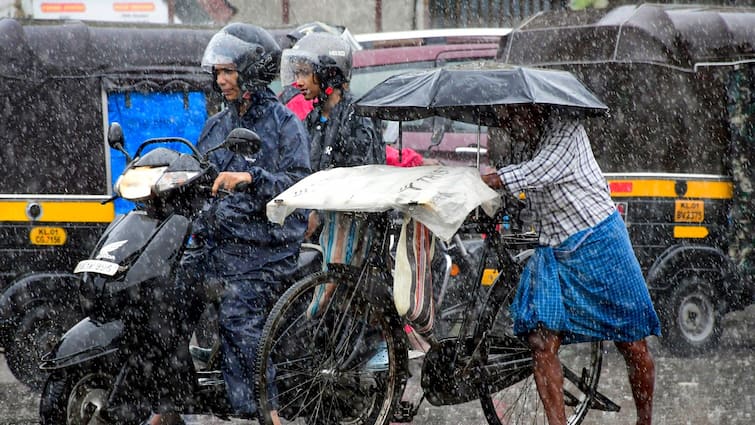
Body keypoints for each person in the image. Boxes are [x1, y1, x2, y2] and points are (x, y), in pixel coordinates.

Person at [149, 23, 310, 425]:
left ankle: (262, 411)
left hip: (265, 247)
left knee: (237, 314)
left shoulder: (284, 125)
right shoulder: (217, 126)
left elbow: (299, 186)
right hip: (217, 243)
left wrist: (252, 179)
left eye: (228, 71)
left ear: (252, 71)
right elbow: (199, 176)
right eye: (216, 72)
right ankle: (168, 406)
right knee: (163, 303)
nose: (220, 80)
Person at [481, 106, 661, 425]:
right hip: (553, 249)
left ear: (533, 110)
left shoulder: (567, 130)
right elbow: (524, 194)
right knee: (540, 341)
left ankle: (645, 420)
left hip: (600, 241)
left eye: (512, 116)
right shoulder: (520, 142)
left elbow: (537, 172)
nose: (507, 125)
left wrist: (488, 180)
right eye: (503, 119)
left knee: (632, 341)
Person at [280, 32, 384, 312]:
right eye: (297, 72)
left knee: (334, 296)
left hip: (352, 223)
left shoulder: (357, 116)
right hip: (318, 224)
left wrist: (322, 213)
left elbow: (360, 176)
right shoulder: (312, 118)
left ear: (326, 75)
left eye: (305, 73)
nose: (298, 81)